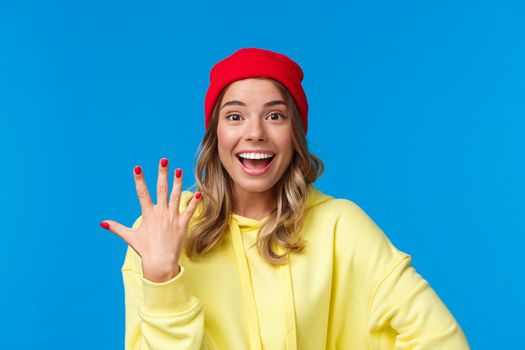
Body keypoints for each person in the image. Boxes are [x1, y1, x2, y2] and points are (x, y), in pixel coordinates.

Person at [100, 48, 470, 350]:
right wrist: (163, 278)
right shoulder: (159, 231)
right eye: (235, 116)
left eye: (274, 116)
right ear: (215, 134)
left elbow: (443, 341)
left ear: (295, 132)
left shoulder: (341, 227)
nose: (255, 133)